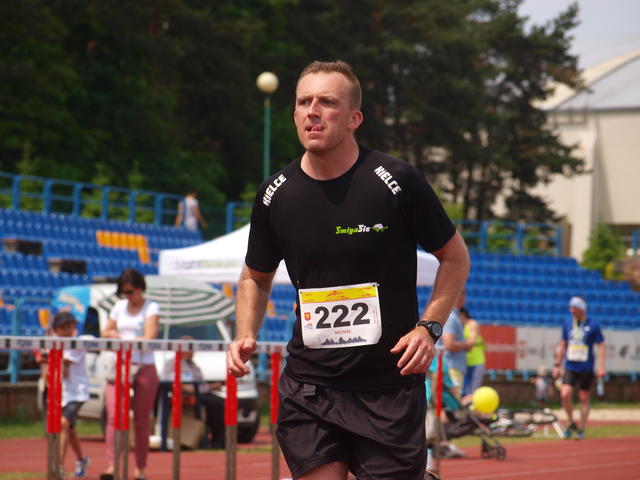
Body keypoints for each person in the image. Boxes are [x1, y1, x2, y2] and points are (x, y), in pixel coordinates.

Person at [227, 60, 470, 480]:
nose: (312, 111)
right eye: (304, 102)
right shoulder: (274, 195)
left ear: (354, 118)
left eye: (327, 102)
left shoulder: (397, 181)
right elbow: (254, 276)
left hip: (387, 387)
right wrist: (245, 332)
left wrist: (428, 328)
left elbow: (455, 257)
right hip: (309, 386)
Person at [100, 269, 160, 480]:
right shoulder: (119, 306)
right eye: (123, 292)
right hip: (120, 364)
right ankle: (112, 465)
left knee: (141, 420)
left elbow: (150, 336)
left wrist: (126, 339)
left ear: (140, 288)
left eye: (130, 291)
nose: (127, 296)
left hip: (144, 365)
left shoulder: (151, 307)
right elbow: (105, 332)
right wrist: (113, 333)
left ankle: (140, 468)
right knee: (114, 417)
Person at [552, 296, 605, 440]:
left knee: (584, 397)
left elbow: (601, 344)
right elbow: (563, 344)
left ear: (581, 308)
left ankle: (581, 428)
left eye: (573, 308)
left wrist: (601, 367)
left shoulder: (593, 325)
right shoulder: (567, 323)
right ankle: (571, 422)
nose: (571, 310)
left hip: (586, 366)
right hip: (570, 365)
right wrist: (557, 364)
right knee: (565, 393)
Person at [161, 336, 226, 449]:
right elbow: (171, 381)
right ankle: (217, 441)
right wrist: (184, 387)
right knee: (216, 404)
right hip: (185, 396)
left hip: (199, 393)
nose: (194, 352)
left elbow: (200, 384)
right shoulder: (172, 363)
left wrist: (212, 386)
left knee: (221, 402)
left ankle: (220, 439)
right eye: (191, 348)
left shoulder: (193, 365)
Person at [52, 311, 90, 478]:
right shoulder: (55, 342)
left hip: (78, 392)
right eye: (63, 327)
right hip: (63, 392)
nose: (67, 331)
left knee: (63, 424)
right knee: (70, 429)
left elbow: (64, 360)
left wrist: (47, 354)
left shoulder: (77, 343)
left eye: (70, 326)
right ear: (56, 329)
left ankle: (58, 466)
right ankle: (82, 459)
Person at [438, 292, 473, 399]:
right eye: (463, 294)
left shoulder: (454, 316)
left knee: (453, 401)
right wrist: (467, 344)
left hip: (452, 367)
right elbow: (449, 344)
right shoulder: (452, 317)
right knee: (452, 402)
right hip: (451, 368)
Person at [460, 307, 486, 397]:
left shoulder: (472, 324)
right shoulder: (459, 325)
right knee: (463, 390)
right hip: (464, 362)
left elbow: (472, 341)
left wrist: (455, 344)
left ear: (463, 315)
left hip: (476, 361)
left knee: (473, 390)